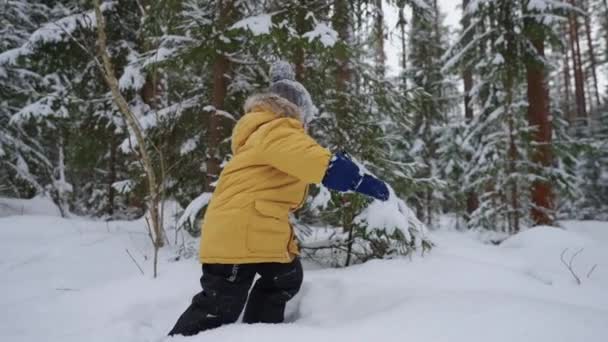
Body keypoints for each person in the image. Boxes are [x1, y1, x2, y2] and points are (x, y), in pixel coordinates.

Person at [168, 61, 390, 336]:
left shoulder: (262, 133)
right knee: (220, 303)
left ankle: (261, 333)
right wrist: (358, 179)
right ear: (296, 113)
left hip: (252, 229)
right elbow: (315, 161)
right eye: (306, 118)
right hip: (240, 233)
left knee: (285, 276)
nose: (307, 125)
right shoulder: (278, 131)